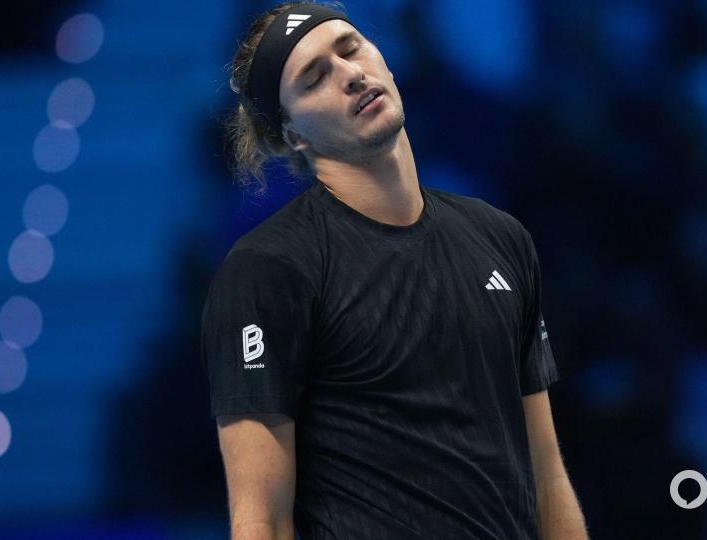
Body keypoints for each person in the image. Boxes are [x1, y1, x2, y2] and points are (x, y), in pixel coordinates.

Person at [201, 2, 588, 538]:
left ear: (384, 58)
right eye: (315, 78)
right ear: (293, 135)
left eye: (350, 48)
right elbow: (261, 518)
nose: (350, 75)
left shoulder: (501, 237)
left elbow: (545, 472)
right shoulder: (267, 271)